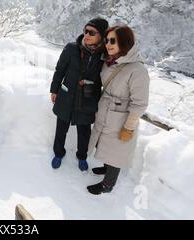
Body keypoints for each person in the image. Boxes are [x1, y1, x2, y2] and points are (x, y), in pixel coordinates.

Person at [87, 25, 149, 195]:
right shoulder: (110, 61)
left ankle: (108, 185)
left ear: (125, 41)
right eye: (107, 40)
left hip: (122, 117)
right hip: (106, 109)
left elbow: (140, 103)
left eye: (113, 40)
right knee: (106, 142)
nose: (108, 44)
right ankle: (107, 168)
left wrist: (128, 127)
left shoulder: (138, 70)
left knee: (117, 150)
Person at [49, 18, 108, 171]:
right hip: (67, 96)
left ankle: (82, 156)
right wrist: (54, 89)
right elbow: (60, 70)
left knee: (84, 131)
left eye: (92, 32)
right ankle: (58, 153)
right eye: (85, 31)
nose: (87, 35)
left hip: (88, 99)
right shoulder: (71, 48)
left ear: (101, 36)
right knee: (61, 127)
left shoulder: (104, 55)